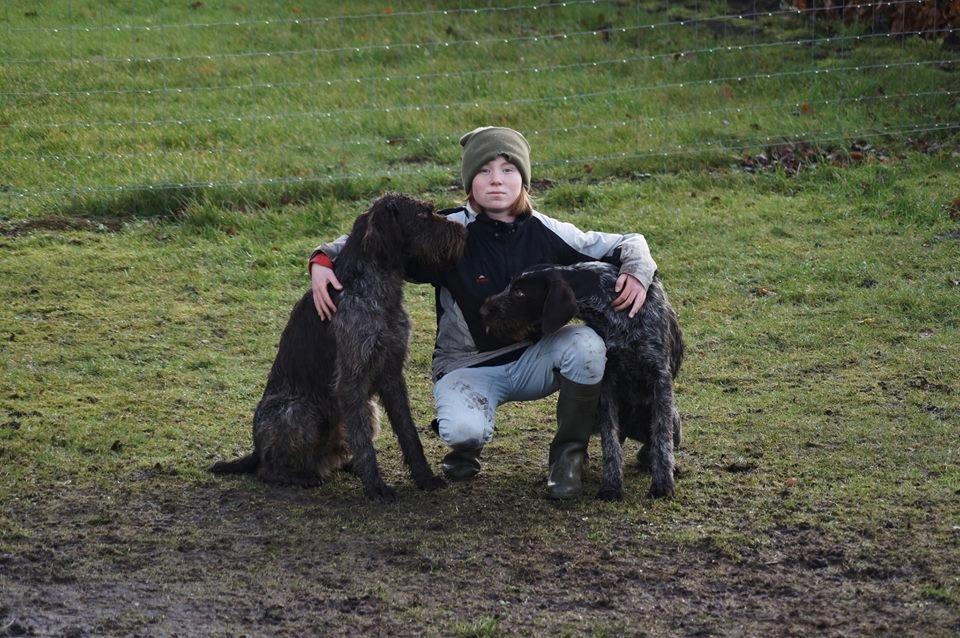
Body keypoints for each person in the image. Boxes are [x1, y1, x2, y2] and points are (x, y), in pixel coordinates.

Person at [308, 126, 657, 499]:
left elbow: (628, 242)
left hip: (535, 361)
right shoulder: (446, 231)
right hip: (467, 366)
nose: (496, 181)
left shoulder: (546, 231)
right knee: (463, 429)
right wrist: (322, 259)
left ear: (523, 178)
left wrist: (636, 271)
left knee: (587, 346)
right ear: (469, 180)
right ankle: (466, 448)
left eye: (508, 170)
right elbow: (367, 237)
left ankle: (568, 457)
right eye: (484, 171)